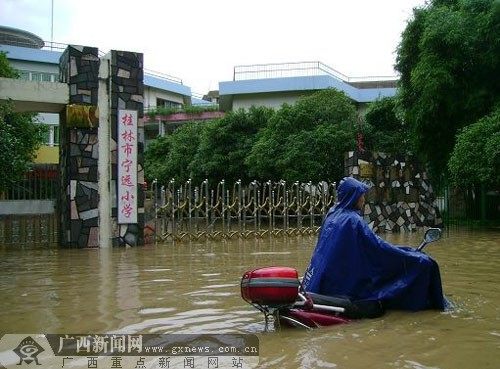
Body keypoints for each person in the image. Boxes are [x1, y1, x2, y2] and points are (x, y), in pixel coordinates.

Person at [302, 176, 446, 312]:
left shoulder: (332, 214)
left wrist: (405, 250)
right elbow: (377, 248)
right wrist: (409, 256)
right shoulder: (353, 221)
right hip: (340, 287)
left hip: (318, 281)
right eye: (361, 195)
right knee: (424, 263)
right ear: (354, 196)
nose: (364, 199)